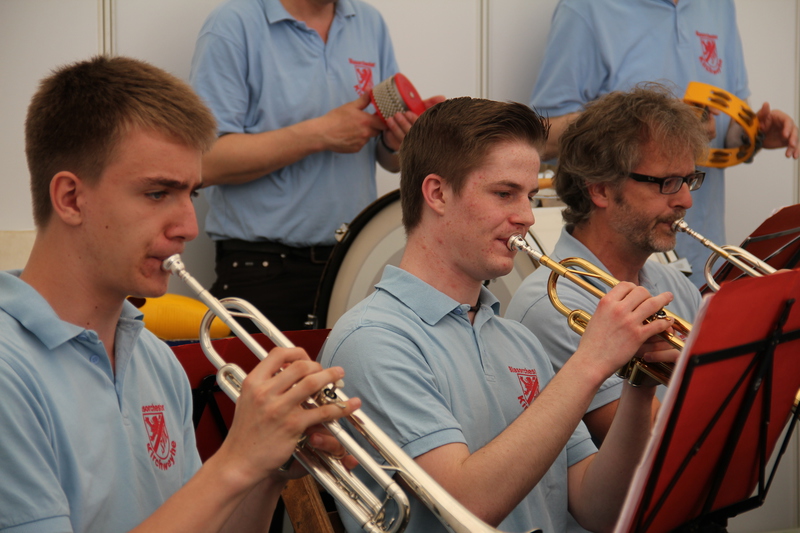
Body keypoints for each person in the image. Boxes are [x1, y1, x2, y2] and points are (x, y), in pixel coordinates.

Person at [0, 55, 360, 533]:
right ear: (70, 198)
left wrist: (268, 470)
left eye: (191, 194)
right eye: (157, 194)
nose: (189, 227)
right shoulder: (8, 371)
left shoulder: (155, 360)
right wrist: (234, 461)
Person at [320, 97, 680, 533]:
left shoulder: (518, 341)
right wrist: (591, 362)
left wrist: (639, 383)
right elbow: (465, 509)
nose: (527, 217)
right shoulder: (372, 340)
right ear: (437, 193)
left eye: (530, 197)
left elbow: (599, 510)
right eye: (505, 194)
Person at [190, 0, 444, 331]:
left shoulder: (369, 22)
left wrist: (399, 140)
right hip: (264, 269)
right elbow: (203, 162)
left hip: (352, 261)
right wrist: (320, 134)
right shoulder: (232, 24)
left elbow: (389, 160)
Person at [530, 0, 799, 288]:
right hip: (623, 261)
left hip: (703, 257)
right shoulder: (586, 8)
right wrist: (660, 125)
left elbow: (721, 128)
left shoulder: (719, 6)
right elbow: (541, 138)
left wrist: (753, 135)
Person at [507, 84, 706, 451]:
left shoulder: (676, 286)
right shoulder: (552, 304)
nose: (685, 200)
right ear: (600, 189)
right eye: (667, 183)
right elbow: (654, 449)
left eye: (689, 180)